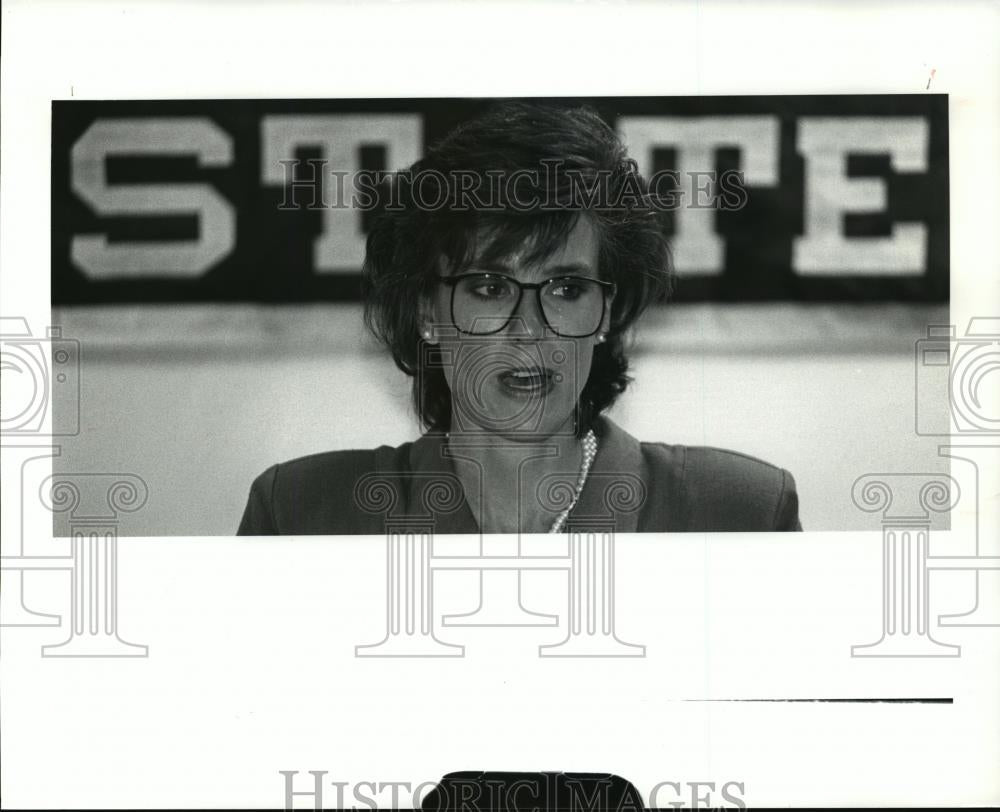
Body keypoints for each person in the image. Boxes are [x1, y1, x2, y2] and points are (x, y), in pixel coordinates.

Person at [237, 102, 801, 535]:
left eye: (565, 287)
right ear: (425, 311)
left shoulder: (739, 512)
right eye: (488, 286)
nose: (529, 328)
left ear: (606, 310)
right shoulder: (302, 513)